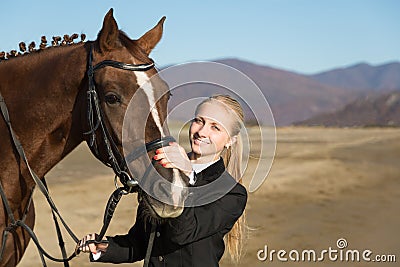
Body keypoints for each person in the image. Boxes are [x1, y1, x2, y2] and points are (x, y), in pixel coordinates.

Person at [77, 94, 248, 266]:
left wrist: (186, 176)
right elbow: (140, 243)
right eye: (199, 121)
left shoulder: (232, 194)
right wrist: (101, 247)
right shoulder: (162, 173)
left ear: (230, 141)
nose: (202, 132)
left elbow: (183, 233)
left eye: (215, 127)